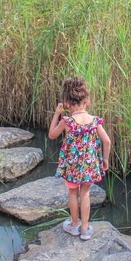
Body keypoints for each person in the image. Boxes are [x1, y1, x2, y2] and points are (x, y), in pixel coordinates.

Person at [48, 77, 111, 240]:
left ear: (67, 104)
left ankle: (74, 225)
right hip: (89, 167)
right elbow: (107, 141)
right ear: (87, 101)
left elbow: (52, 135)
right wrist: (105, 160)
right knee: (85, 194)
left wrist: (56, 114)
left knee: (72, 193)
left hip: (71, 167)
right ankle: (85, 229)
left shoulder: (67, 121)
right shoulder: (94, 121)